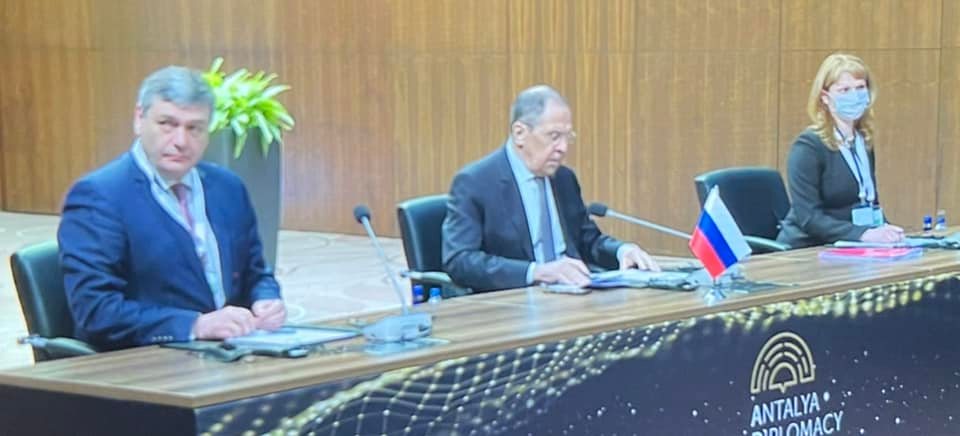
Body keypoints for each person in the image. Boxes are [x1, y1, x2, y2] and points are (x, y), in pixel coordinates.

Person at [58, 66, 286, 350]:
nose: (181, 141)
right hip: (145, 359)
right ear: (139, 119)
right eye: (167, 124)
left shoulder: (227, 188)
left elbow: (255, 272)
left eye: (194, 128)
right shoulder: (100, 196)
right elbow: (96, 310)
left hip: (230, 352)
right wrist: (194, 325)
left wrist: (266, 299)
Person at [442, 85, 659, 292]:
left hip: (573, 296)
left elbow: (588, 240)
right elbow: (460, 260)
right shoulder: (476, 183)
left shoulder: (564, 179)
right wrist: (537, 272)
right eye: (554, 136)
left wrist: (621, 251)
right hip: (514, 302)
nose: (563, 148)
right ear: (519, 133)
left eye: (567, 137)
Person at [776, 53, 904, 249]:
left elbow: (868, 199)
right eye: (844, 90)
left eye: (860, 88)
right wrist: (863, 234)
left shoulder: (862, 141)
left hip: (851, 245)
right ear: (825, 97)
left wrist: (886, 230)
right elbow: (809, 217)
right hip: (809, 248)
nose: (854, 95)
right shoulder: (808, 146)